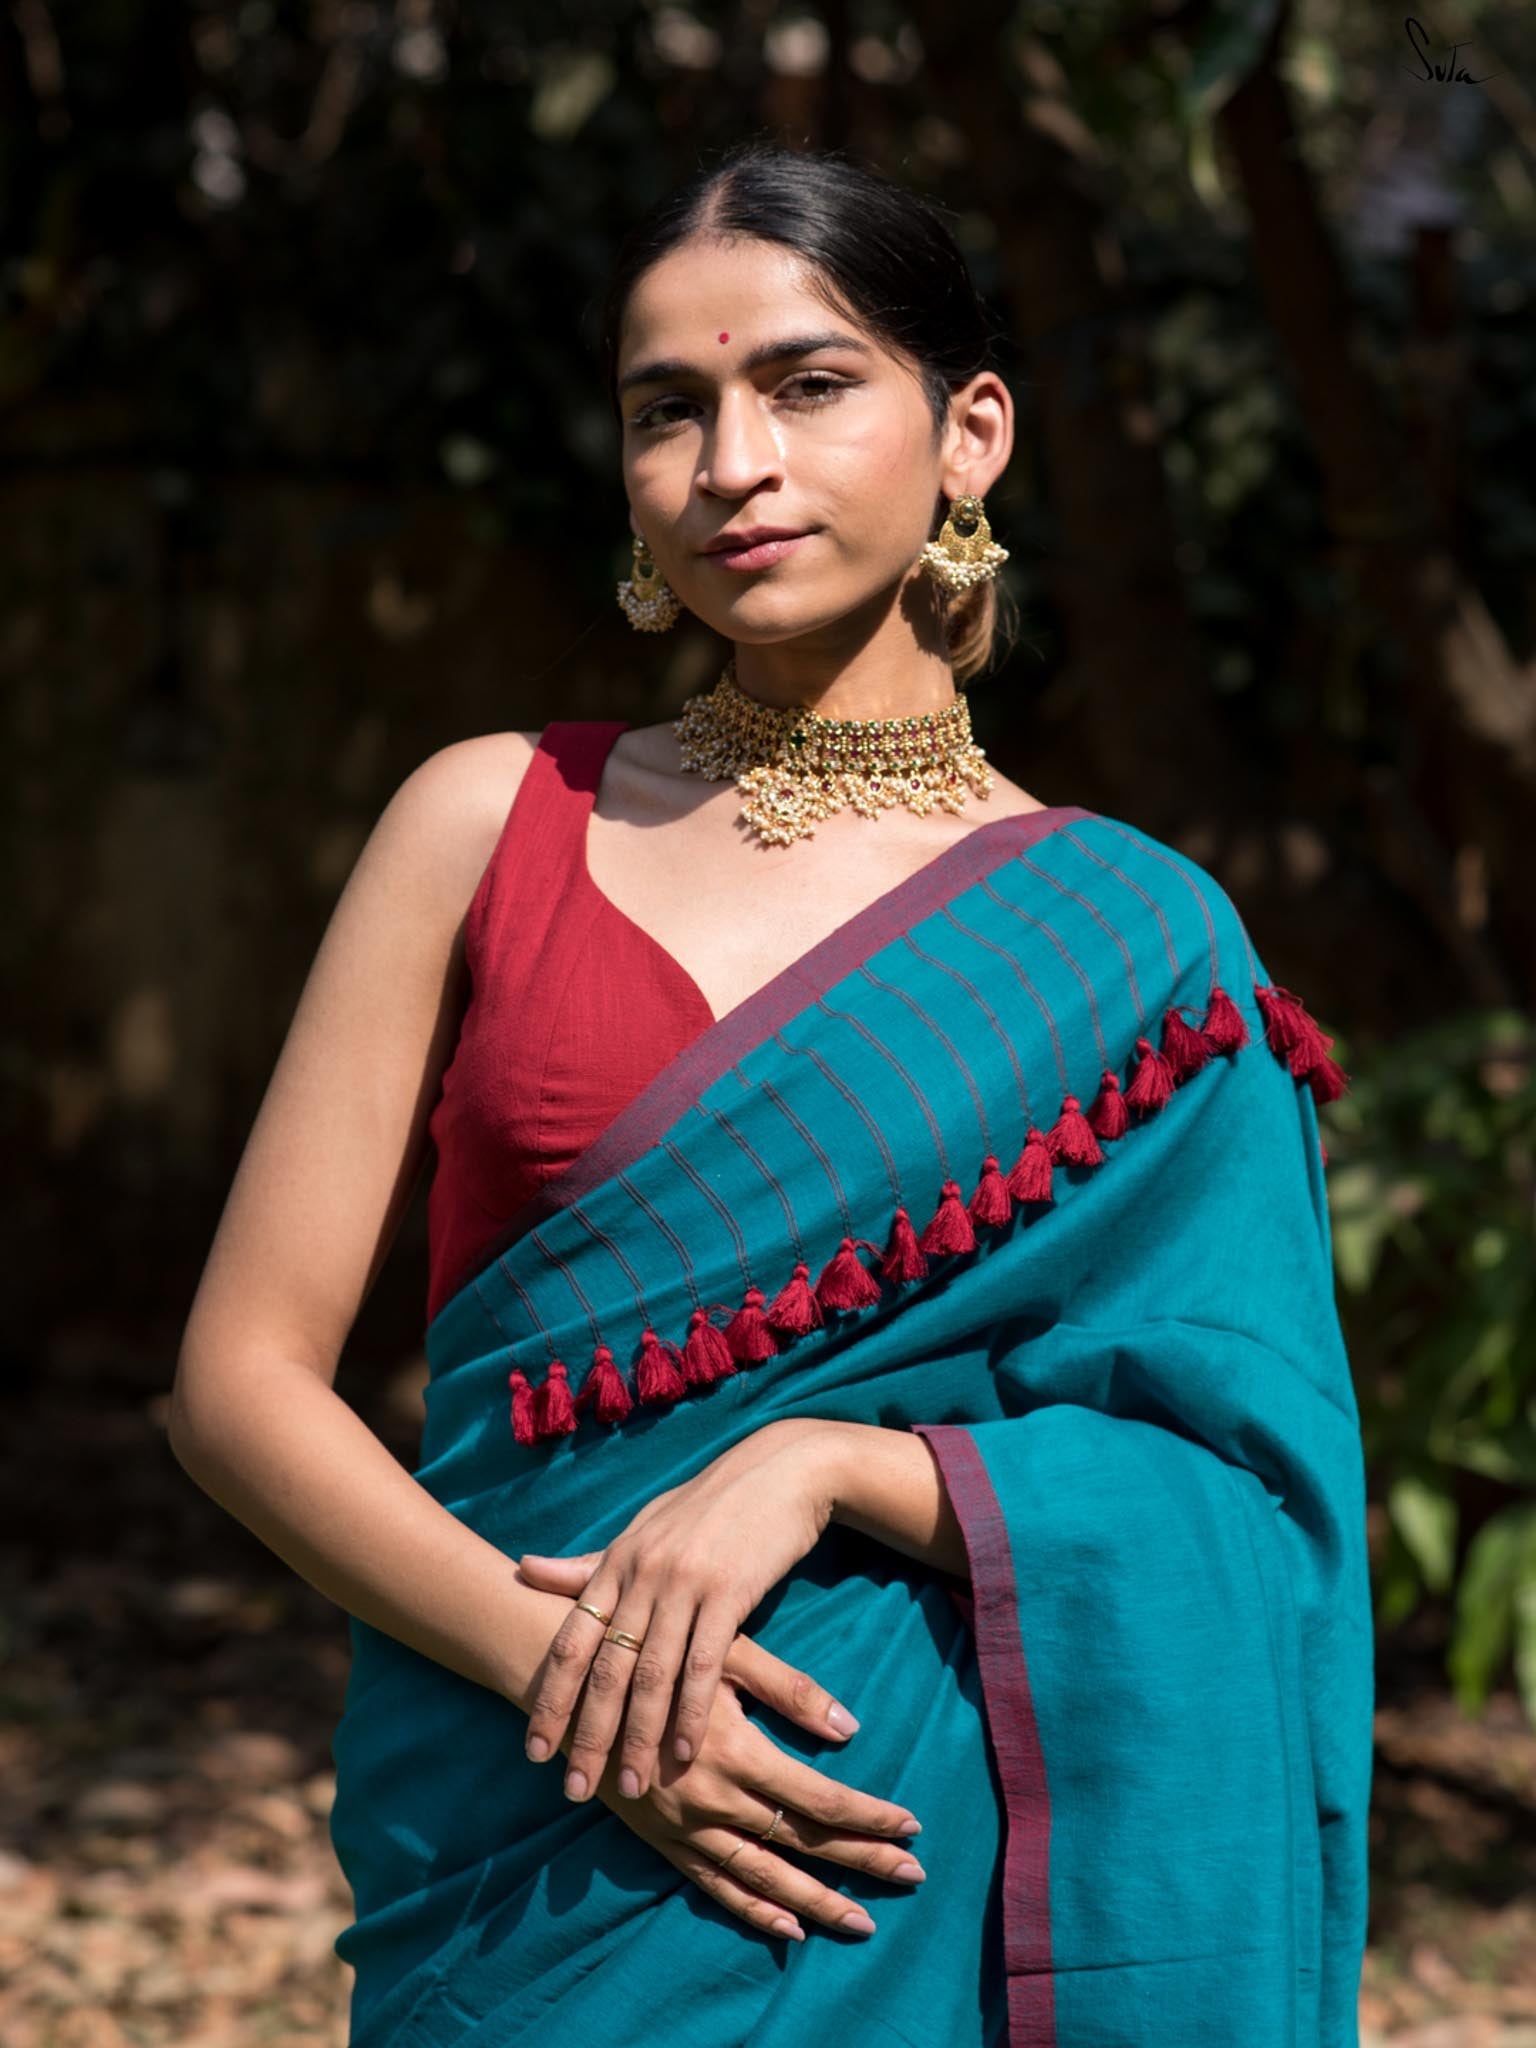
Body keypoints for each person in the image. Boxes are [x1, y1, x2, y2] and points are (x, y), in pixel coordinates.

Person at [169, 139, 1374, 2046]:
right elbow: (238, 1385)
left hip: (912, 1863)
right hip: (524, 1836)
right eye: (670, 410)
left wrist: (832, 1464)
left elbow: (1244, 1491)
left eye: (809, 385)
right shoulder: (492, 819)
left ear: (969, 432)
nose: (732, 464)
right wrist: (581, 1684)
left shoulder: (1140, 943)